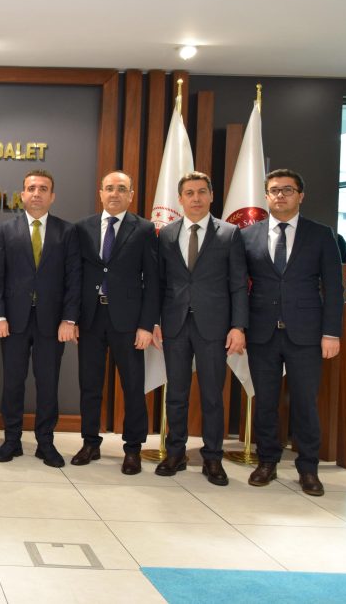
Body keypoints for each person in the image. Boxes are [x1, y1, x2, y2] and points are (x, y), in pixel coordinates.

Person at [242, 168, 343, 496]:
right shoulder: (248, 235)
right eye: (274, 190)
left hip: (307, 335)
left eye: (288, 190)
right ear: (266, 196)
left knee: (304, 403)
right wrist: (238, 327)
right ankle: (267, 461)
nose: (280, 195)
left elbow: (333, 288)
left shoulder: (321, 235)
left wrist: (331, 332)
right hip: (261, 333)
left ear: (301, 195)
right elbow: (238, 286)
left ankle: (308, 468)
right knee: (265, 402)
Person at [153, 171, 248, 486]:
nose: (196, 198)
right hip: (175, 324)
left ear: (211, 196)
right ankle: (175, 453)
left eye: (201, 192)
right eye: (189, 193)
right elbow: (159, 283)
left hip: (214, 327)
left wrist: (238, 326)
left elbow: (238, 285)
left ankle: (213, 458)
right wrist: (155, 321)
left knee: (212, 396)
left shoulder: (230, 233)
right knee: (176, 394)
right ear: (180, 199)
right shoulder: (167, 234)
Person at [0, 169, 80, 466]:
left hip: (52, 324)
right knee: (12, 384)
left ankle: (45, 443)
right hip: (13, 322)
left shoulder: (67, 232)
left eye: (43, 189)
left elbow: (74, 278)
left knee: (48, 385)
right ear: (22, 194)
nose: (36, 193)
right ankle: (11, 441)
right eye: (31, 188)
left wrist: (69, 319)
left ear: (52, 196)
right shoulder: (5, 230)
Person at [72, 170, 158, 474]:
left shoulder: (144, 229)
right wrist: (72, 317)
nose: (115, 193)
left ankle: (133, 449)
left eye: (122, 188)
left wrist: (147, 325)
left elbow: (154, 281)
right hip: (91, 318)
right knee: (89, 385)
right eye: (109, 188)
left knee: (133, 386)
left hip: (129, 322)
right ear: (100, 193)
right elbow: (76, 276)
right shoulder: (82, 228)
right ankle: (90, 443)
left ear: (131, 195)